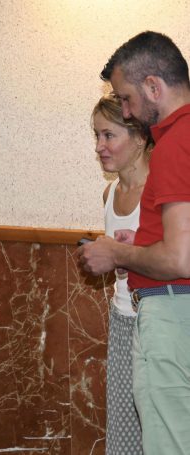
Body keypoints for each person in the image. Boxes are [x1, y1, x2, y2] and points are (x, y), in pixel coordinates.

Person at [79, 31, 190, 454]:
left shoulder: (175, 142)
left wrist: (119, 252)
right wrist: (142, 241)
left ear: (153, 87)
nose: (126, 110)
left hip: (171, 310)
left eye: (126, 98)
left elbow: (180, 258)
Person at [93, 94, 151, 455]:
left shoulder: (162, 193)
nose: (99, 146)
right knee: (123, 425)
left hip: (156, 324)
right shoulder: (109, 193)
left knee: (160, 428)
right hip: (121, 319)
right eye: (96, 136)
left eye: (109, 135)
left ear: (140, 138)